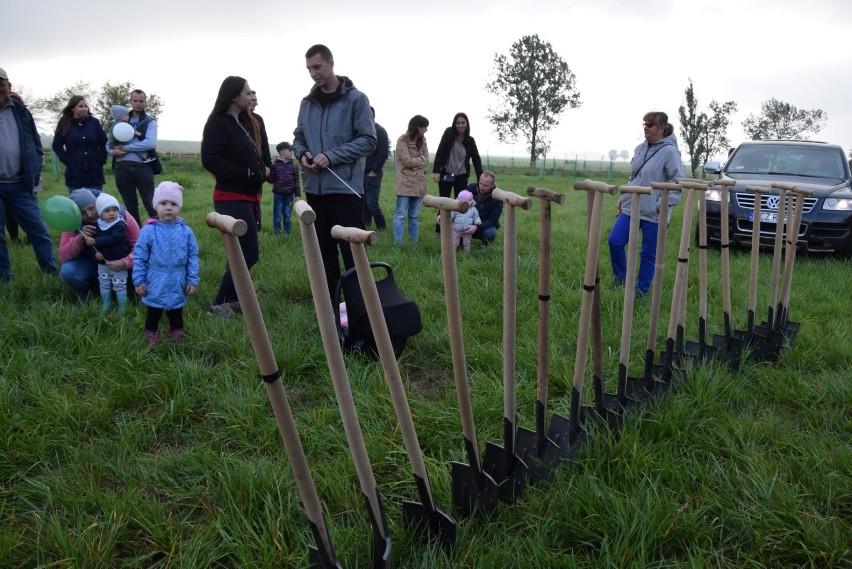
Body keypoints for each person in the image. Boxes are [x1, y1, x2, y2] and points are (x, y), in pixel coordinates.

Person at [292, 44, 376, 301]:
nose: (313, 73)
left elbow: (368, 140)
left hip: (345, 190)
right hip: (315, 191)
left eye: (317, 67)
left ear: (331, 63)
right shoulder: (306, 103)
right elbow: (297, 138)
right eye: (308, 69)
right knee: (323, 254)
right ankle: (333, 311)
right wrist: (302, 154)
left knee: (352, 254)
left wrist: (331, 156)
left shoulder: (356, 99)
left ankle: (360, 310)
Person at [201, 76, 265, 317]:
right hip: (230, 197)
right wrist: (246, 173)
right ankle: (219, 304)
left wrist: (261, 171)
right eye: (247, 93)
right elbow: (210, 159)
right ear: (234, 96)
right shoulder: (219, 123)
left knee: (238, 253)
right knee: (249, 253)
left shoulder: (243, 122)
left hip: (247, 198)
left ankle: (234, 298)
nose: (251, 97)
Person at [607, 111, 683, 295]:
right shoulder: (640, 148)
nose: (646, 128)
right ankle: (622, 279)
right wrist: (622, 197)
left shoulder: (670, 151)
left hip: (654, 210)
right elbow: (635, 176)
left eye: (650, 125)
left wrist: (663, 203)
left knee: (648, 253)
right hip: (631, 205)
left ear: (662, 128)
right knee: (615, 241)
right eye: (645, 124)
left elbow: (678, 181)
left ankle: (640, 290)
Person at [0, 66, 57, 281]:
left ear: (8, 86)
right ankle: (5, 279)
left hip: (21, 185)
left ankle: (51, 273)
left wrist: (34, 171)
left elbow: (34, 143)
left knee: (39, 232)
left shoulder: (21, 112)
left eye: (1, 83)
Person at [133, 182, 199, 344]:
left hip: (178, 280)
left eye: (174, 204)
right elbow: (139, 257)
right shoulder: (148, 231)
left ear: (180, 208)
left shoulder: (186, 232)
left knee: (176, 312)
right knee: (153, 311)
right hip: (155, 280)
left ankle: (177, 337)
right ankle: (151, 337)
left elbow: (192, 256)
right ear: (156, 206)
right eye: (163, 203)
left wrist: (192, 279)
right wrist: (138, 280)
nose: (168, 208)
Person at [59, 189, 139, 299]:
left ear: (97, 203)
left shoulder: (118, 214)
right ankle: (91, 289)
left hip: (122, 264)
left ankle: (126, 288)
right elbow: (63, 256)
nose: (90, 215)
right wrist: (79, 239)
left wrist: (125, 262)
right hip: (93, 265)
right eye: (82, 213)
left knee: (149, 268)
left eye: (92, 208)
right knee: (68, 272)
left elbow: (140, 247)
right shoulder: (73, 222)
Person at [109, 89, 158, 223]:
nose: (138, 104)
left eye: (141, 101)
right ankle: (136, 238)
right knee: (130, 208)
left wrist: (126, 147)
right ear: (130, 101)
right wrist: (112, 152)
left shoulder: (150, 121)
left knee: (151, 204)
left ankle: (158, 234)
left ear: (145, 103)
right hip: (121, 168)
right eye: (135, 100)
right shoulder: (119, 120)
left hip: (142, 167)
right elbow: (108, 143)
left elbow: (150, 143)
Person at [51, 95, 108, 194]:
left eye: (86, 106)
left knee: (96, 204)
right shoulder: (64, 123)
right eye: (80, 106)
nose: (84, 109)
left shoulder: (94, 123)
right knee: (77, 205)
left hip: (94, 170)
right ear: (72, 108)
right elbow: (57, 145)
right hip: (75, 171)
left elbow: (103, 142)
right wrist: (67, 160)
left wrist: (101, 159)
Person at [89, 193, 131, 312]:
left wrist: (95, 241)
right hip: (103, 264)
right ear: (100, 213)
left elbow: (114, 239)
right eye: (107, 210)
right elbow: (91, 245)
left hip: (118, 262)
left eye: (114, 210)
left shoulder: (119, 224)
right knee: (104, 283)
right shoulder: (97, 225)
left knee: (119, 284)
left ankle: (122, 307)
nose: (112, 213)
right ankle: (106, 304)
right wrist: (95, 254)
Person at [393, 115, 429, 243]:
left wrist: (418, 162)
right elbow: (407, 161)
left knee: (414, 216)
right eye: (424, 127)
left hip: (419, 183)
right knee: (401, 215)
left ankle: (414, 242)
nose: (426, 130)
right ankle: (398, 243)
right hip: (405, 183)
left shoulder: (423, 140)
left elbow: (427, 161)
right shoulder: (402, 140)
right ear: (417, 127)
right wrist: (420, 160)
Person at [432, 112, 483, 199]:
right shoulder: (448, 133)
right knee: (444, 203)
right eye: (458, 123)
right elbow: (440, 151)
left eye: (463, 123)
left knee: (460, 203)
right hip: (447, 173)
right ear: (454, 124)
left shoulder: (470, 141)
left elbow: (476, 160)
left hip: (461, 176)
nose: (460, 125)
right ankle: (442, 213)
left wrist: (480, 178)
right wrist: (436, 171)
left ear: (467, 124)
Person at [248, 90, 272, 231]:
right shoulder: (234, 118)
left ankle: (257, 227)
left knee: (257, 198)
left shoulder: (258, 119)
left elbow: (264, 143)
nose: (256, 102)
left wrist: (267, 165)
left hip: (258, 167)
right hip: (242, 168)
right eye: (253, 99)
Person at [363, 106, 389, 230]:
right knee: (363, 203)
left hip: (373, 174)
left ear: (373, 116)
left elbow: (383, 153)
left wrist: (374, 171)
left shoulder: (380, 131)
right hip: (360, 174)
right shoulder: (360, 131)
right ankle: (366, 227)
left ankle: (382, 228)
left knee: (372, 204)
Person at [270, 141, 301, 235]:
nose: (292, 152)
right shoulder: (274, 165)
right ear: (282, 152)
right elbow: (271, 179)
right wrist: (266, 174)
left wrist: (297, 195)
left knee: (287, 216)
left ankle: (287, 233)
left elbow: (297, 182)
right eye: (290, 150)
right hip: (278, 195)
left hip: (289, 195)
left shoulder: (294, 166)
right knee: (277, 216)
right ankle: (277, 234)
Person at [467, 171, 503, 245]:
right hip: (468, 220)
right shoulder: (471, 187)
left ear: (493, 185)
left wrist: (476, 227)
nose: (481, 187)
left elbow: (493, 220)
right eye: (480, 183)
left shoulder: (498, 197)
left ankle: (486, 244)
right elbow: (459, 201)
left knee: (490, 234)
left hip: (484, 224)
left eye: (485, 185)